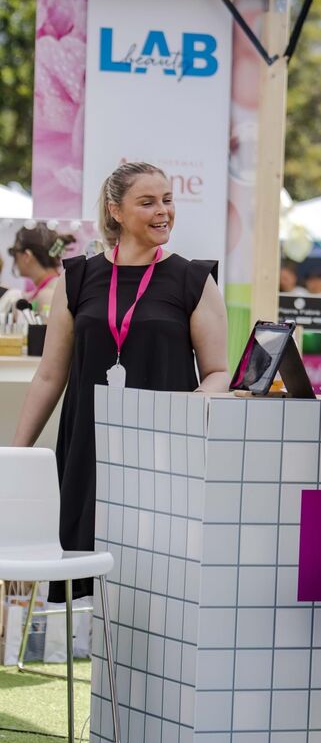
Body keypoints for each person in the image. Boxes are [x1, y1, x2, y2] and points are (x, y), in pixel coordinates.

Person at [13, 161, 230, 601]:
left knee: (154, 580)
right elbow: (50, 374)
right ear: (115, 211)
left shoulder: (194, 279)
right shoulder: (78, 277)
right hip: (88, 446)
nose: (163, 212)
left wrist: (185, 414)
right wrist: (15, 456)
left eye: (167, 200)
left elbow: (218, 373)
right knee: (86, 572)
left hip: (162, 449)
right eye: (147, 202)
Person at [8, 222, 73, 314]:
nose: (14, 259)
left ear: (27, 256)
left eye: (13, 252)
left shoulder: (48, 295)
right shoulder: (55, 288)